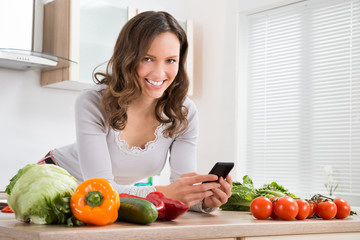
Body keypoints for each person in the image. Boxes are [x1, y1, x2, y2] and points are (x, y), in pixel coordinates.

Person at [38, 11, 232, 212]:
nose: (159, 73)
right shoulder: (93, 102)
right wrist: (164, 193)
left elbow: (182, 189)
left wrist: (205, 201)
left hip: (106, 202)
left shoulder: (183, 112)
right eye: (148, 58)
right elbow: (99, 189)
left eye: (171, 60)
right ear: (128, 57)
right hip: (54, 182)